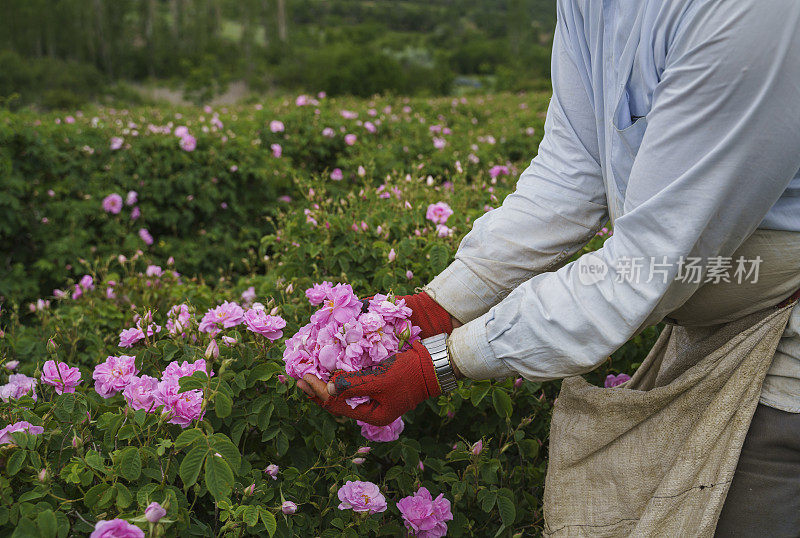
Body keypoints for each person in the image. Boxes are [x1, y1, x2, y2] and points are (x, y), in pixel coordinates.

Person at [298, 0, 800, 535]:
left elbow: (649, 265)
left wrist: (439, 363)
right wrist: (434, 309)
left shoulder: (747, 11)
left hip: (784, 337)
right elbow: (572, 172)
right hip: (707, 329)